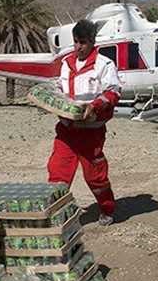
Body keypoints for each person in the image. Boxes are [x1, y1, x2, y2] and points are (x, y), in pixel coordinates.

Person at [47, 19, 121, 226]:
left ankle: (106, 208)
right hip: (66, 130)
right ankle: (57, 213)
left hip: (91, 132)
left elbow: (113, 92)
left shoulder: (104, 64)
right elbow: (59, 89)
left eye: (83, 42)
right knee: (58, 172)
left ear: (92, 42)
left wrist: (94, 106)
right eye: (75, 42)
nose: (78, 47)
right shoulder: (66, 64)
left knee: (95, 176)